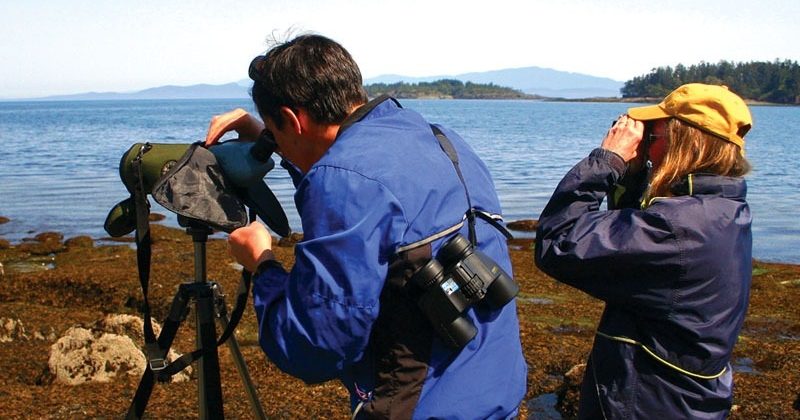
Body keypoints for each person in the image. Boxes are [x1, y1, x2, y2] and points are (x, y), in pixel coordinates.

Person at [204, 34, 527, 419]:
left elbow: (313, 348)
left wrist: (264, 265)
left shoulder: (343, 180)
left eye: (279, 132)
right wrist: (267, 136)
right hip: (493, 391)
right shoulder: (439, 138)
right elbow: (360, 184)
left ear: (292, 119)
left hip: (421, 408)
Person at [534, 83, 753, 419]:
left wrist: (608, 160)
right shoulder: (723, 210)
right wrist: (634, 176)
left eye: (653, 138)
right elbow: (629, 237)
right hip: (686, 402)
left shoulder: (677, 228)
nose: (646, 148)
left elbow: (559, 243)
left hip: (647, 405)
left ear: (685, 145)